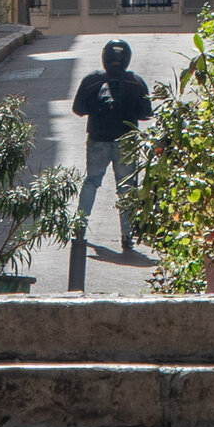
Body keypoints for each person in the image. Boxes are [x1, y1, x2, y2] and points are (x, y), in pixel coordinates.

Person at [67, 38, 153, 290]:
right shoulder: (135, 82)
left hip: (97, 140)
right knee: (126, 188)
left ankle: (80, 227)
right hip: (126, 141)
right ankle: (127, 236)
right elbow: (145, 112)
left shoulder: (91, 81)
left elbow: (78, 108)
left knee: (92, 182)